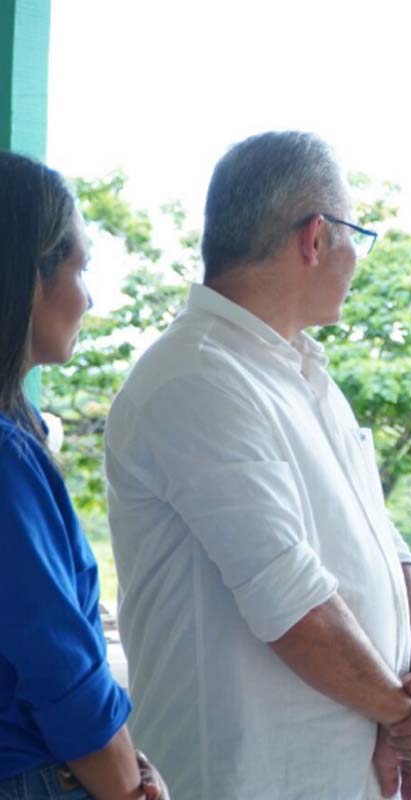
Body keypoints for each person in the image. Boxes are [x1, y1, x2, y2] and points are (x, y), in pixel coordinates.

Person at [105, 132, 411, 800]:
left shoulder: (305, 372)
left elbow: (385, 544)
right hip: (246, 778)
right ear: (316, 238)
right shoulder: (198, 376)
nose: (357, 260)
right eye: (357, 237)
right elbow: (289, 600)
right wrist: (406, 716)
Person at [0, 152, 166, 799]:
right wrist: (127, 784)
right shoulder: (7, 461)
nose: (88, 297)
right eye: (80, 267)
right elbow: (59, 670)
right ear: (29, 274)